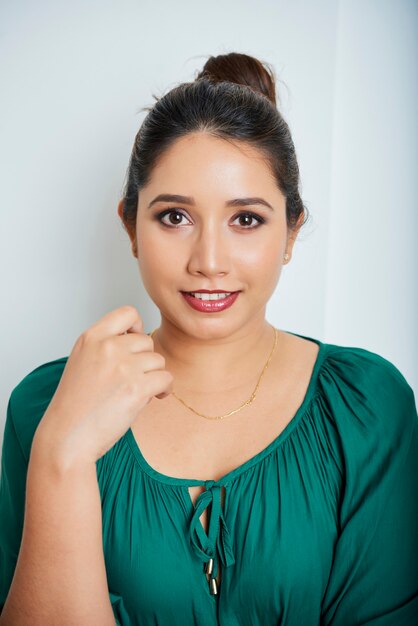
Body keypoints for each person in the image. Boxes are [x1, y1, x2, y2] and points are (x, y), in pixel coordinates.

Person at [0, 52, 417, 626]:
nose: (209, 262)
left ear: (292, 232)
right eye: (175, 217)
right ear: (131, 228)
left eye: (246, 219)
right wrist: (61, 455)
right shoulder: (45, 407)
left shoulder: (368, 407)